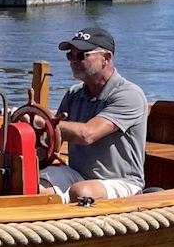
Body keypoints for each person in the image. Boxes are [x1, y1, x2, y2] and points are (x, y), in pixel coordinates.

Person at [38, 25, 148, 203]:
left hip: (122, 182)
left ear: (106, 58)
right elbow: (54, 136)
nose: (73, 60)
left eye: (81, 55)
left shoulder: (129, 95)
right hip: (78, 173)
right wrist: (25, 122)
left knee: (82, 191)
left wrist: (40, 123)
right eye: (70, 55)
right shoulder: (74, 94)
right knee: (36, 186)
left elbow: (88, 134)